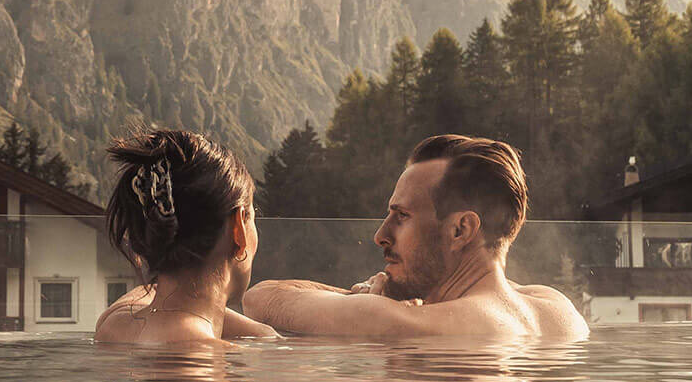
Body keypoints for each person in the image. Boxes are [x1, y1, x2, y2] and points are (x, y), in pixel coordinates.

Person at [242, 135, 588, 340]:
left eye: (402, 216)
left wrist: (365, 298)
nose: (381, 235)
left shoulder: (410, 325)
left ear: (460, 230)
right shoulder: (557, 310)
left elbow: (261, 299)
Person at [95, 129, 278, 344]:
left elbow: (145, 298)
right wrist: (268, 334)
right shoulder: (218, 364)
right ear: (238, 231)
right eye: (252, 216)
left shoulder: (113, 326)